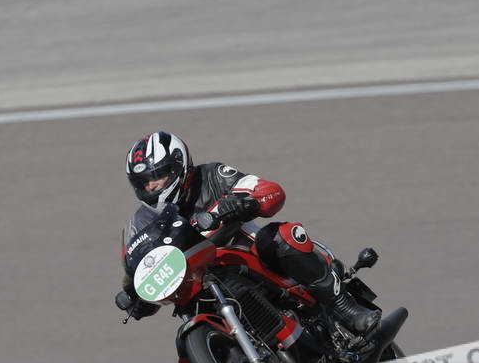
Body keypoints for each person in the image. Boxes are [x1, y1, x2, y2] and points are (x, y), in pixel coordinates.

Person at [114, 131, 380, 335]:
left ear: (178, 166)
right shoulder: (141, 223)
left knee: (282, 235)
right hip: (197, 284)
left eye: (157, 176)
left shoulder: (211, 176)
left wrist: (242, 202)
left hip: (251, 260)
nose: (152, 186)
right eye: (144, 182)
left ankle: (345, 308)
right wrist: (134, 294)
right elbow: (137, 267)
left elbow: (270, 191)